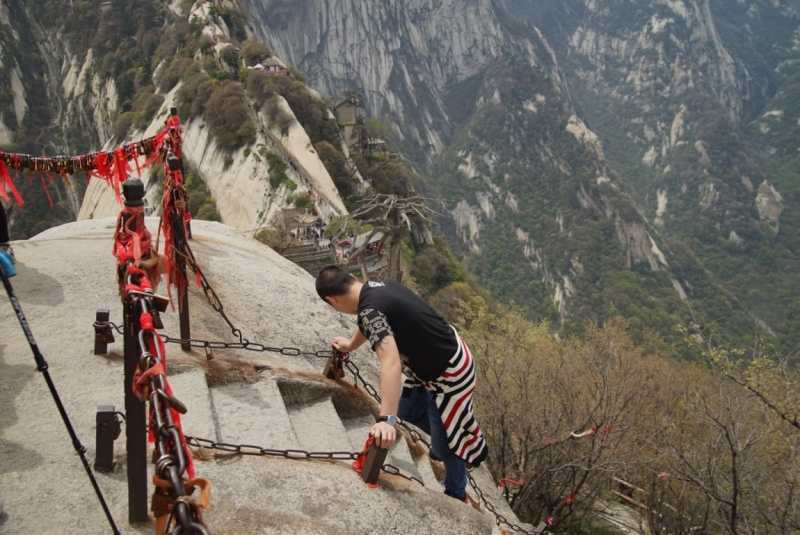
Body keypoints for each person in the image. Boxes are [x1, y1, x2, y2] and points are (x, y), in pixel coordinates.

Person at [315, 266, 488, 502]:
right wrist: (350, 346)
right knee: (408, 409)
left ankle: (456, 491)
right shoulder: (376, 288)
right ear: (353, 278)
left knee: (448, 443)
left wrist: (387, 420)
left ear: (332, 301)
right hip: (437, 361)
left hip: (450, 374)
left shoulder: (369, 310)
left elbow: (391, 363)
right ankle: (446, 439)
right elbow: (371, 323)